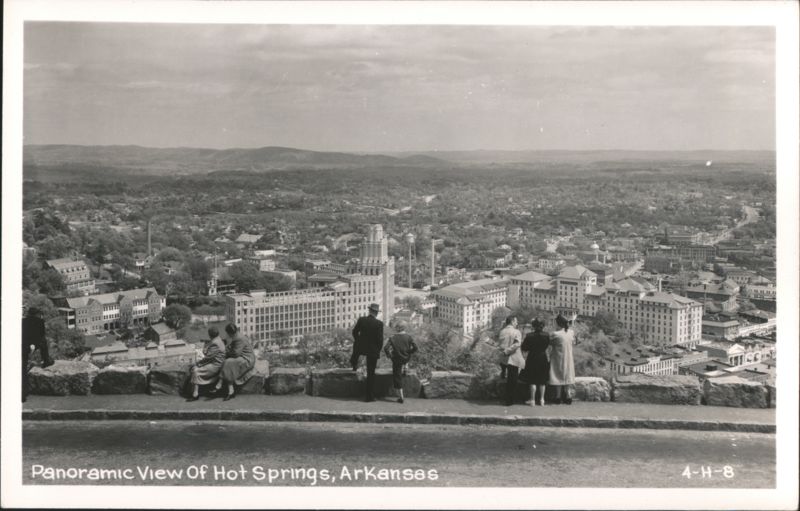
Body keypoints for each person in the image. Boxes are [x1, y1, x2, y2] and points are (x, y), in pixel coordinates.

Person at [351, 303, 384, 402]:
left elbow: (354, 332)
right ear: (376, 313)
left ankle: (353, 363)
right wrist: (378, 350)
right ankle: (369, 397)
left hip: (361, 347)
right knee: (371, 373)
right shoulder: (379, 324)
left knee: (356, 349)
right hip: (372, 350)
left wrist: (359, 340)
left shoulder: (362, 320)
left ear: (369, 311)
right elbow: (380, 340)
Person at [186, 326, 226, 402]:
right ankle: (195, 393)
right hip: (217, 364)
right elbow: (210, 355)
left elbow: (208, 358)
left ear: (210, 335)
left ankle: (195, 394)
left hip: (215, 366)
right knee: (195, 369)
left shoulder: (215, 343)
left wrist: (197, 364)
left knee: (195, 370)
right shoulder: (219, 340)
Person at [22, 307, 53, 402]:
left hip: (24, 345)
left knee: (22, 368)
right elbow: (42, 334)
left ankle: (23, 394)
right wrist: (34, 344)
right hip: (35, 344)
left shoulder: (23, 321)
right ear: (36, 314)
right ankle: (46, 360)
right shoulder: (40, 321)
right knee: (44, 342)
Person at [218, 323, 255, 401]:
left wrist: (226, 353)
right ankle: (230, 391)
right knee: (228, 364)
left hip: (247, 359)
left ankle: (221, 383)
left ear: (229, 333)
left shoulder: (238, 338)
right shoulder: (237, 336)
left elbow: (235, 353)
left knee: (228, 363)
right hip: (243, 357)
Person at [384, 322, 418, 404]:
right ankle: (406, 366)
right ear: (404, 328)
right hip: (406, 358)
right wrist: (409, 352)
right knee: (405, 361)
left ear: (398, 328)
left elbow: (386, 348)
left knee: (397, 376)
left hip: (396, 359)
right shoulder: (409, 337)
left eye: (396, 327)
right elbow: (416, 348)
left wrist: (390, 356)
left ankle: (401, 397)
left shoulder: (392, 337)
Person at [519, 318, 550, 406]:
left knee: (532, 380)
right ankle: (542, 400)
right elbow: (547, 345)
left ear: (533, 326)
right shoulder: (546, 335)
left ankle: (532, 400)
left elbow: (524, 348)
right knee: (542, 380)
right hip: (543, 358)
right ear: (543, 326)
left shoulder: (529, 336)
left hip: (532, 358)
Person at [548, 314, 576, 404]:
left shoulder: (556, 334)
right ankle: (568, 396)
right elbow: (573, 340)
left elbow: (550, 342)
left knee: (558, 375)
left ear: (558, 324)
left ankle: (558, 396)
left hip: (558, 357)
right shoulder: (571, 333)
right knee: (567, 375)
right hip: (569, 358)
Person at [497, 315, 525, 406]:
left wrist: (504, 352)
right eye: (516, 321)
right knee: (513, 380)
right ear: (512, 321)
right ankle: (510, 400)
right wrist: (508, 351)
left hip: (504, 358)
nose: (517, 323)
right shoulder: (517, 332)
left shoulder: (502, 331)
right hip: (513, 357)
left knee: (506, 378)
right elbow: (517, 344)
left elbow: (500, 344)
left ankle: (506, 398)